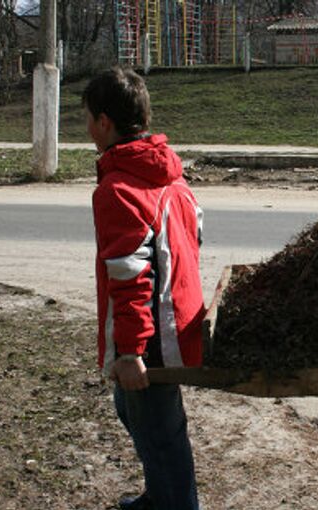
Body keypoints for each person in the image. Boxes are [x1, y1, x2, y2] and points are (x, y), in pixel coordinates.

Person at [83, 66, 205, 510]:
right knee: (136, 412)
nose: (87, 128)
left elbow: (131, 275)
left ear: (104, 122)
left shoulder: (118, 187)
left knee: (161, 435)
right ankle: (161, 493)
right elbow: (194, 241)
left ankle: (173, 501)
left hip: (151, 338)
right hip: (177, 323)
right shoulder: (173, 176)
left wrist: (132, 351)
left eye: (88, 119)